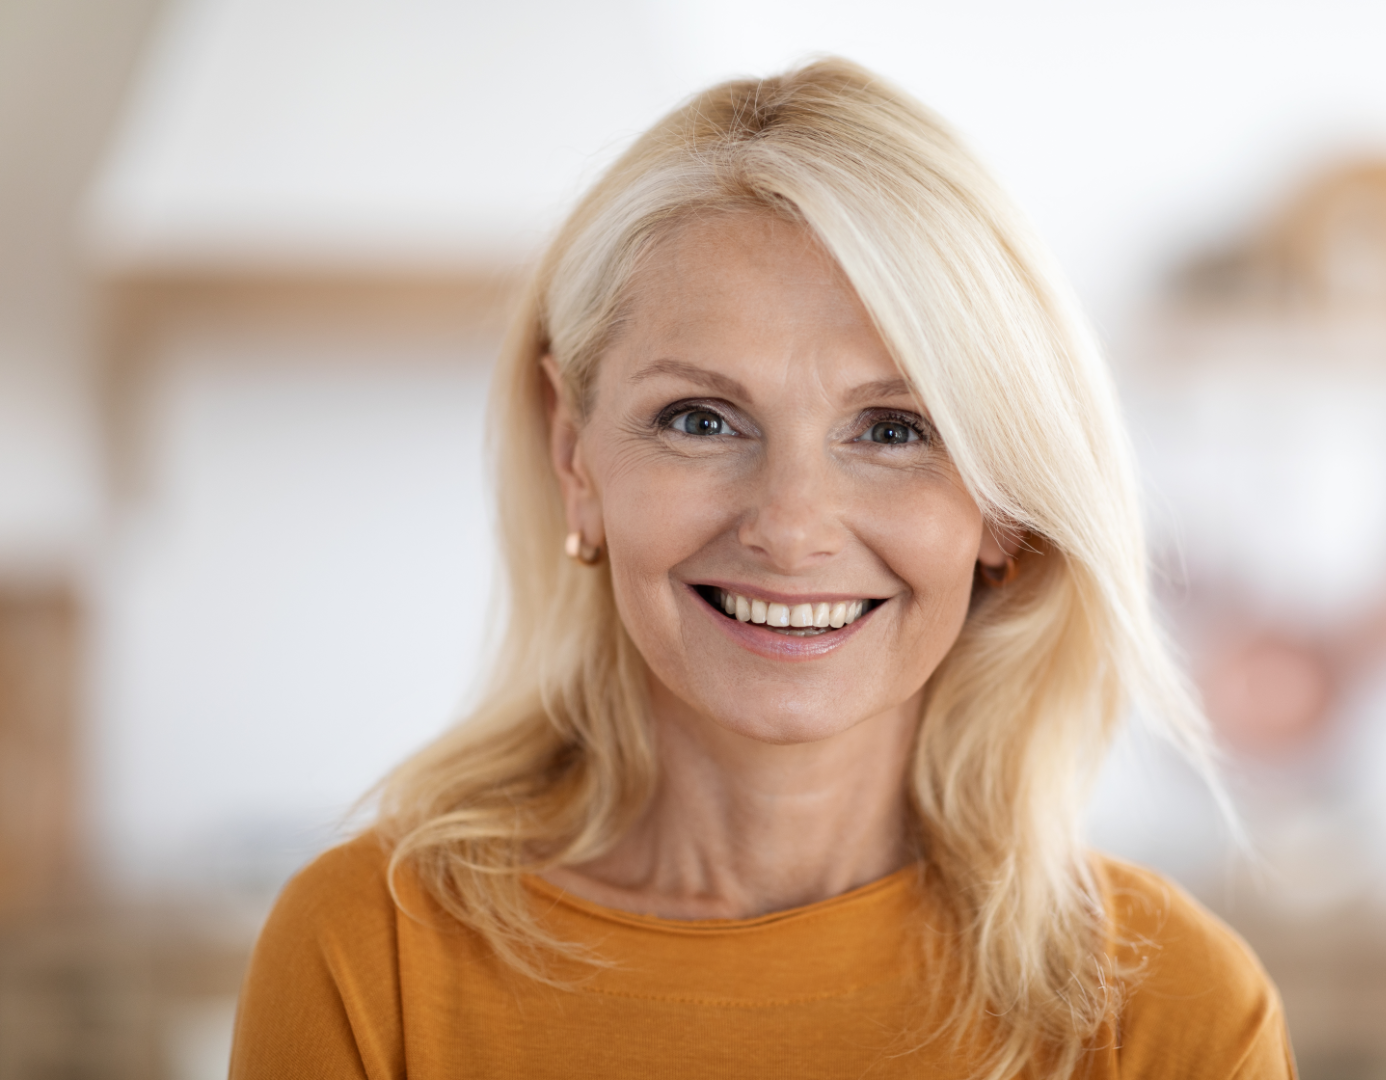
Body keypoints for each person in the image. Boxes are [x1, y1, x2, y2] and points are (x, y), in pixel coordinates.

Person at [229, 58, 1296, 1079]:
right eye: (700, 419)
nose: (790, 528)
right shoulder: (371, 958)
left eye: (893, 429)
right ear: (575, 456)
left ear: (1004, 505)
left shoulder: (1171, 1014)